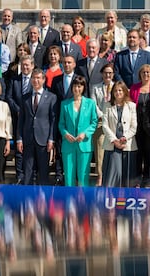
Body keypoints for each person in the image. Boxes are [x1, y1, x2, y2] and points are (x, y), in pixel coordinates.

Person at [17, 68, 56, 185]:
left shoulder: (51, 97)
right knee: (28, 170)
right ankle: (27, 197)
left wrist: (51, 139)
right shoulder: (25, 97)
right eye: (34, 78)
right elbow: (21, 120)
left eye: (38, 78)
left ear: (43, 80)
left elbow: (53, 119)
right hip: (28, 138)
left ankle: (43, 198)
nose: (36, 80)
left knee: (43, 171)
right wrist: (19, 139)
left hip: (43, 139)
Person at [59, 76, 98, 187]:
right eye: (75, 86)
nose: (77, 88)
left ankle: (83, 201)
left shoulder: (90, 103)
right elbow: (61, 123)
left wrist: (85, 133)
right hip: (68, 144)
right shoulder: (65, 104)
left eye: (80, 86)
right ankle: (69, 201)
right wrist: (65, 134)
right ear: (72, 87)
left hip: (84, 144)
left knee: (83, 176)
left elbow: (94, 122)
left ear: (83, 87)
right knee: (69, 177)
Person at [50, 55, 80, 185]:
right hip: (59, 118)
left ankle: (75, 175)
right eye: (64, 62)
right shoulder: (56, 80)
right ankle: (59, 174)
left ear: (74, 64)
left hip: (74, 120)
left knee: (74, 148)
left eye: (69, 62)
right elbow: (52, 98)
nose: (66, 65)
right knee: (59, 147)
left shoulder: (79, 80)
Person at [102, 81, 138, 187]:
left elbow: (134, 126)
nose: (118, 93)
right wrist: (114, 140)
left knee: (127, 175)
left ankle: (125, 198)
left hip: (127, 144)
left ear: (125, 92)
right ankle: (111, 197)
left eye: (120, 90)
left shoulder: (131, 106)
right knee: (115, 174)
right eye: (116, 90)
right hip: (112, 144)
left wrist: (124, 138)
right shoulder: (107, 105)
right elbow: (105, 125)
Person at [6, 55, 35, 184]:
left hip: (32, 119)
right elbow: (9, 97)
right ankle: (19, 175)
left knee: (30, 147)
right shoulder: (14, 80)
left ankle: (31, 175)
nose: (25, 67)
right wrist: (17, 110)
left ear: (32, 66)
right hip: (17, 118)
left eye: (27, 65)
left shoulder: (36, 80)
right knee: (18, 147)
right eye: (23, 65)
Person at [130, 64, 150, 188]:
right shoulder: (134, 88)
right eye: (143, 72)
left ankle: (147, 178)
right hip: (137, 125)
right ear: (140, 74)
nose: (146, 74)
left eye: (148, 72)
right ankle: (137, 178)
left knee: (149, 152)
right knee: (138, 152)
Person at [90, 63, 115, 186]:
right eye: (105, 73)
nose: (108, 75)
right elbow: (94, 104)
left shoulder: (117, 86)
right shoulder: (95, 88)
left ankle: (111, 176)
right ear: (102, 74)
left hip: (114, 122)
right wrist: (103, 116)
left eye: (110, 73)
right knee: (100, 150)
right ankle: (100, 176)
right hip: (100, 122)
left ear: (113, 74)